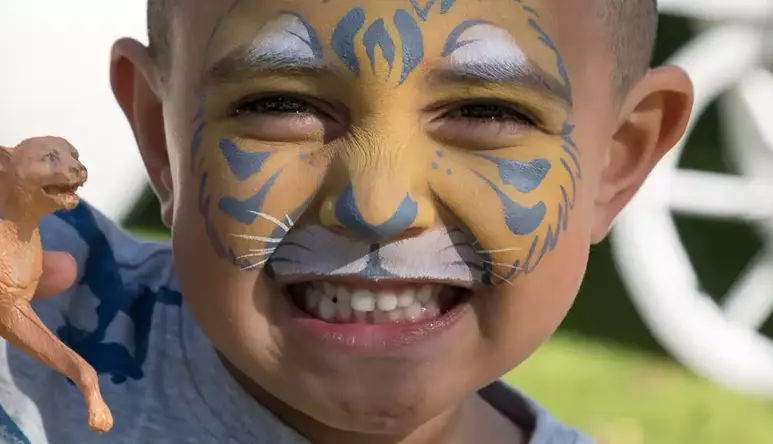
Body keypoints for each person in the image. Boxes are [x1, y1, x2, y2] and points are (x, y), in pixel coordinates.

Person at [0, 0, 693, 442]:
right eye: (282, 105)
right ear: (160, 137)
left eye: (486, 112)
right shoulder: (29, 325)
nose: (377, 206)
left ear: (616, 160)